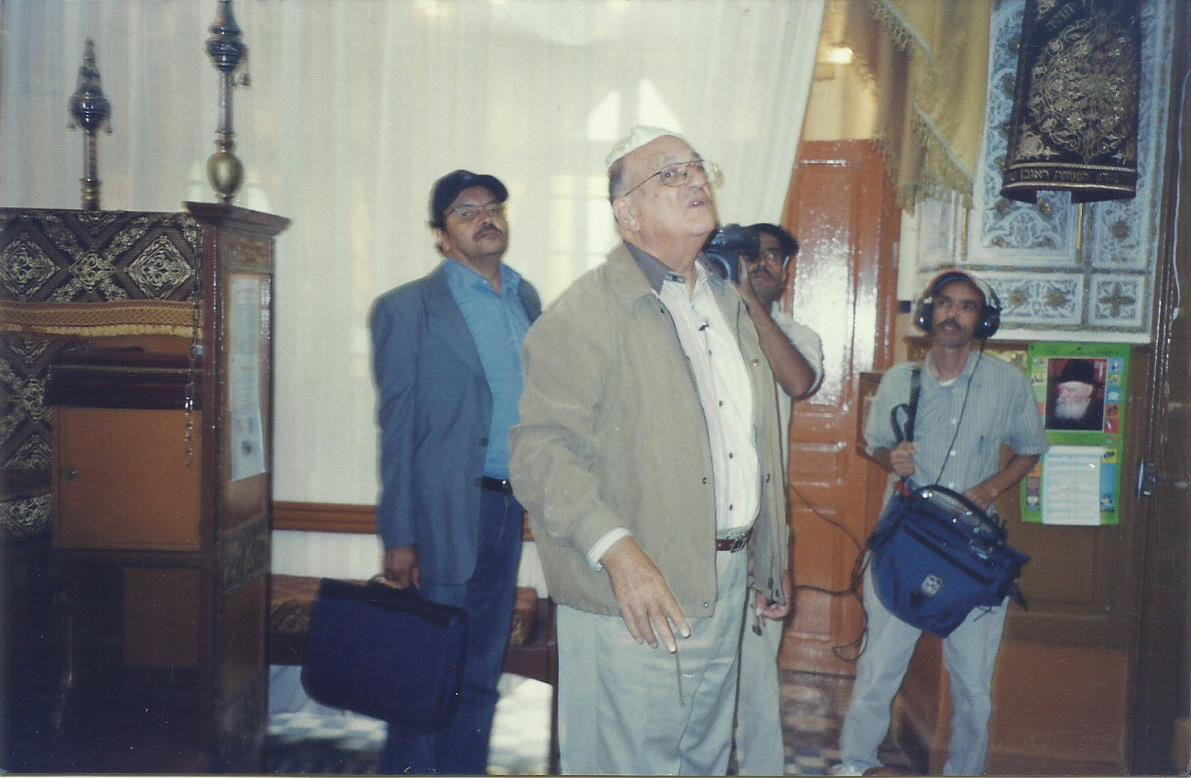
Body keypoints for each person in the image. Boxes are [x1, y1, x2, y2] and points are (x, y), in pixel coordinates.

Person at [510, 126, 789, 775]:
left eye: (696, 167)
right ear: (626, 213)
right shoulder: (584, 313)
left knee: (701, 758)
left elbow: (747, 445)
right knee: (628, 762)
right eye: (669, 174)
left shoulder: (725, 302)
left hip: (724, 581)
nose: (694, 180)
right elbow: (539, 451)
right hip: (636, 587)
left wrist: (768, 558)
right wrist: (620, 555)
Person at [833, 270, 1048, 776]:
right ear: (930, 313)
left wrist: (989, 489)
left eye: (967, 306)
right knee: (879, 669)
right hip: (905, 547)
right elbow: (876, 445)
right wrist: (891, 458)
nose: (954, 314)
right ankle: (854, 765)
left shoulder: (1007, 384)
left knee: (973, 684)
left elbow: (1030, 449)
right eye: (946, 303)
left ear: (983, 321)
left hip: (972, 554)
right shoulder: (898, 381)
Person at [369, 169, 541, 775]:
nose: (485, 218)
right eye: (466, 211)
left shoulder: (525, 298)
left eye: (493, 207)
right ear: (441, 235)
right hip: (441, 514)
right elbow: (397, 429)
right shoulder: (407, 308)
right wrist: (399, 536)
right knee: (427, 670)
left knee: (482, 671)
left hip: (506, 509)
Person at [732, 222, 825, 774]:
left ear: (787, 272)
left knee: (758, 665)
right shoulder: (706, 323)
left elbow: (798, 381)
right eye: (752, 254)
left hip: (764, 521)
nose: (762, 263)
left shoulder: (795, 333)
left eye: (774, 256)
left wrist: (749, 300)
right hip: (702, 519)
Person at [1046, 358, 1104, 431]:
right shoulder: (1050, 409)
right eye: (1061, 389)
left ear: (1088, 390)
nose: (1062, 395)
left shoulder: (1101, 413)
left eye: (1070, 390)